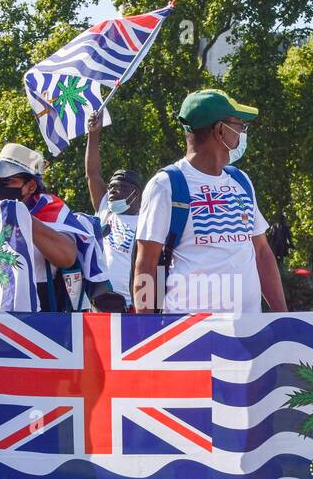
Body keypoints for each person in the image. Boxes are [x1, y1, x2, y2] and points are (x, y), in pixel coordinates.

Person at [132, 89, 287, 314]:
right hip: (190, 334)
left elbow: (262, 253)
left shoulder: (240, 180)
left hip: (249, 332)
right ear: (220, 130)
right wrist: (146, 333)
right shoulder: (165, 185)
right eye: (240, 125)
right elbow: (146, 266)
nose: (243, 132)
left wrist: (284, 318)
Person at [0, 143, 81, 311]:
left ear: (30, 186)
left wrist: (19, 216)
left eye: (6, 181)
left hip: (38, 307)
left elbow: (67, 257)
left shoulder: (52, 210)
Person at [84, 112, 142, 306]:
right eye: (110, 187)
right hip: (100, 302)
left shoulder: (147, 221)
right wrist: (93, 135)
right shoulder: (105, 211)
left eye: (118, 187)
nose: (112, 191)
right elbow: (93, 174)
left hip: (132, 305)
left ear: (136, 193)